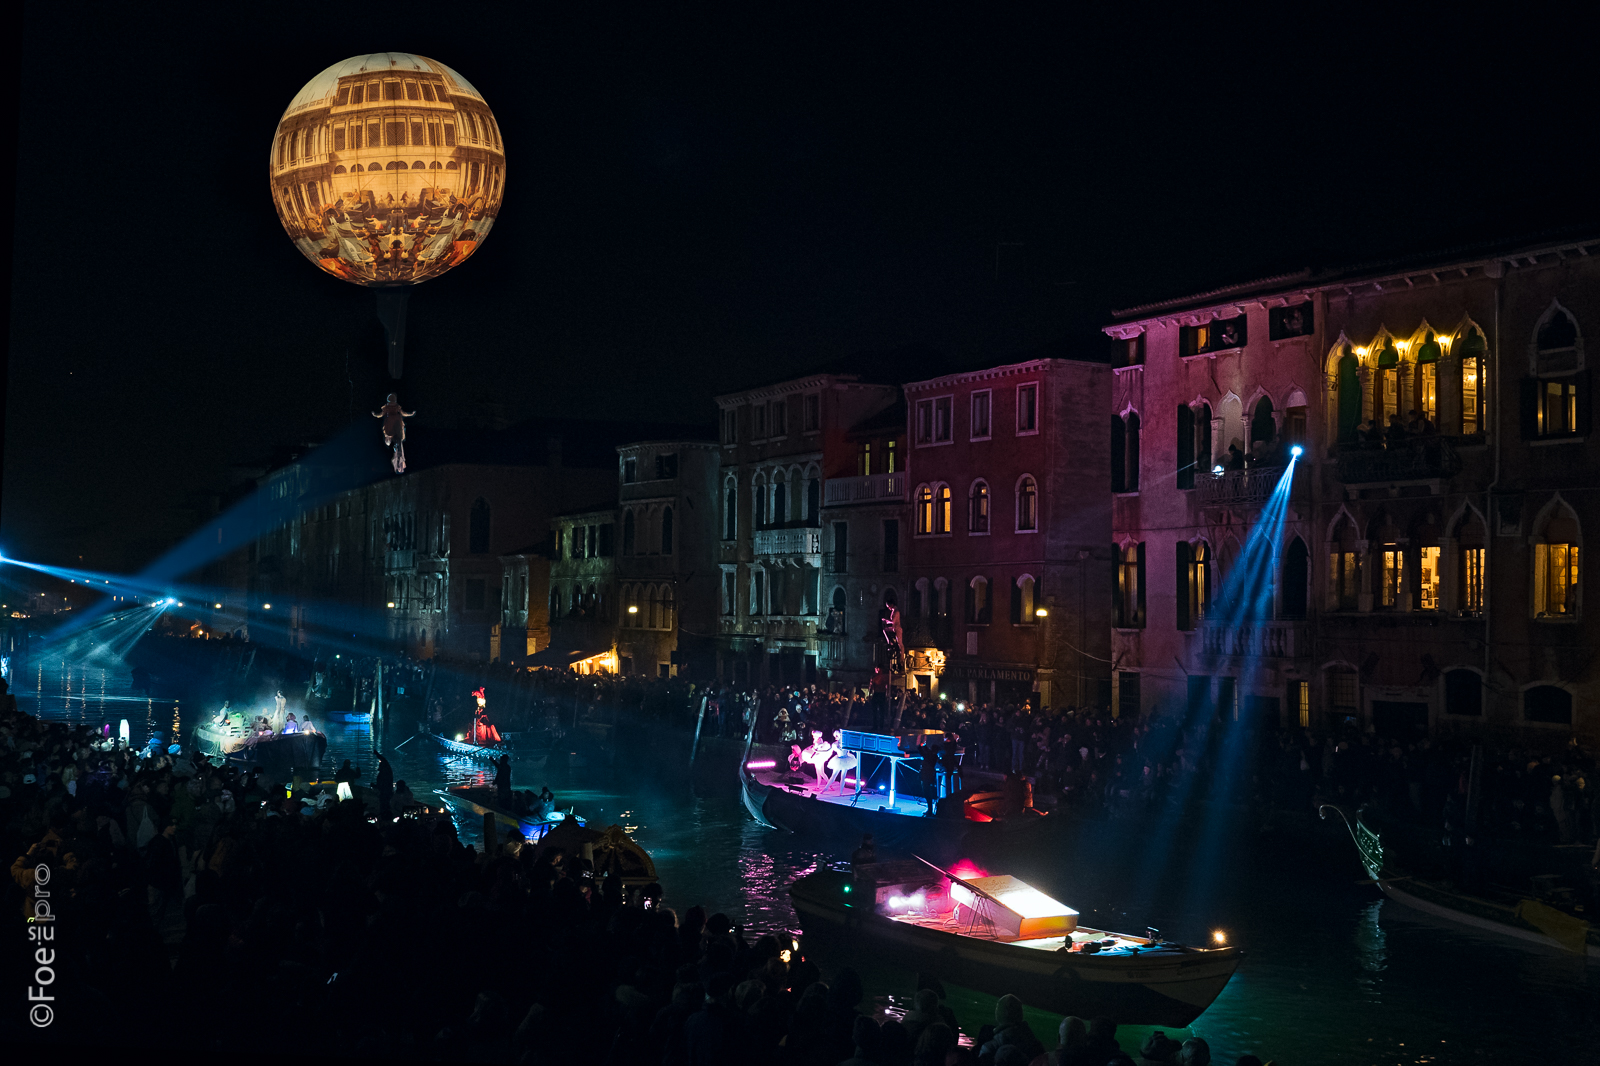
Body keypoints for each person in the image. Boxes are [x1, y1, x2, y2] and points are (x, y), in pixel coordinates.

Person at [372, 393, 416, 474]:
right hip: (395, 423)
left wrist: (376, 415)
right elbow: (403, 413)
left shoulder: (390, 407)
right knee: (394, 440)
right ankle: (396, 454)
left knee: (394, 440)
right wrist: (375, 415)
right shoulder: (391, 407)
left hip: (393, 424)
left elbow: (381, 414)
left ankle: (398, 459)